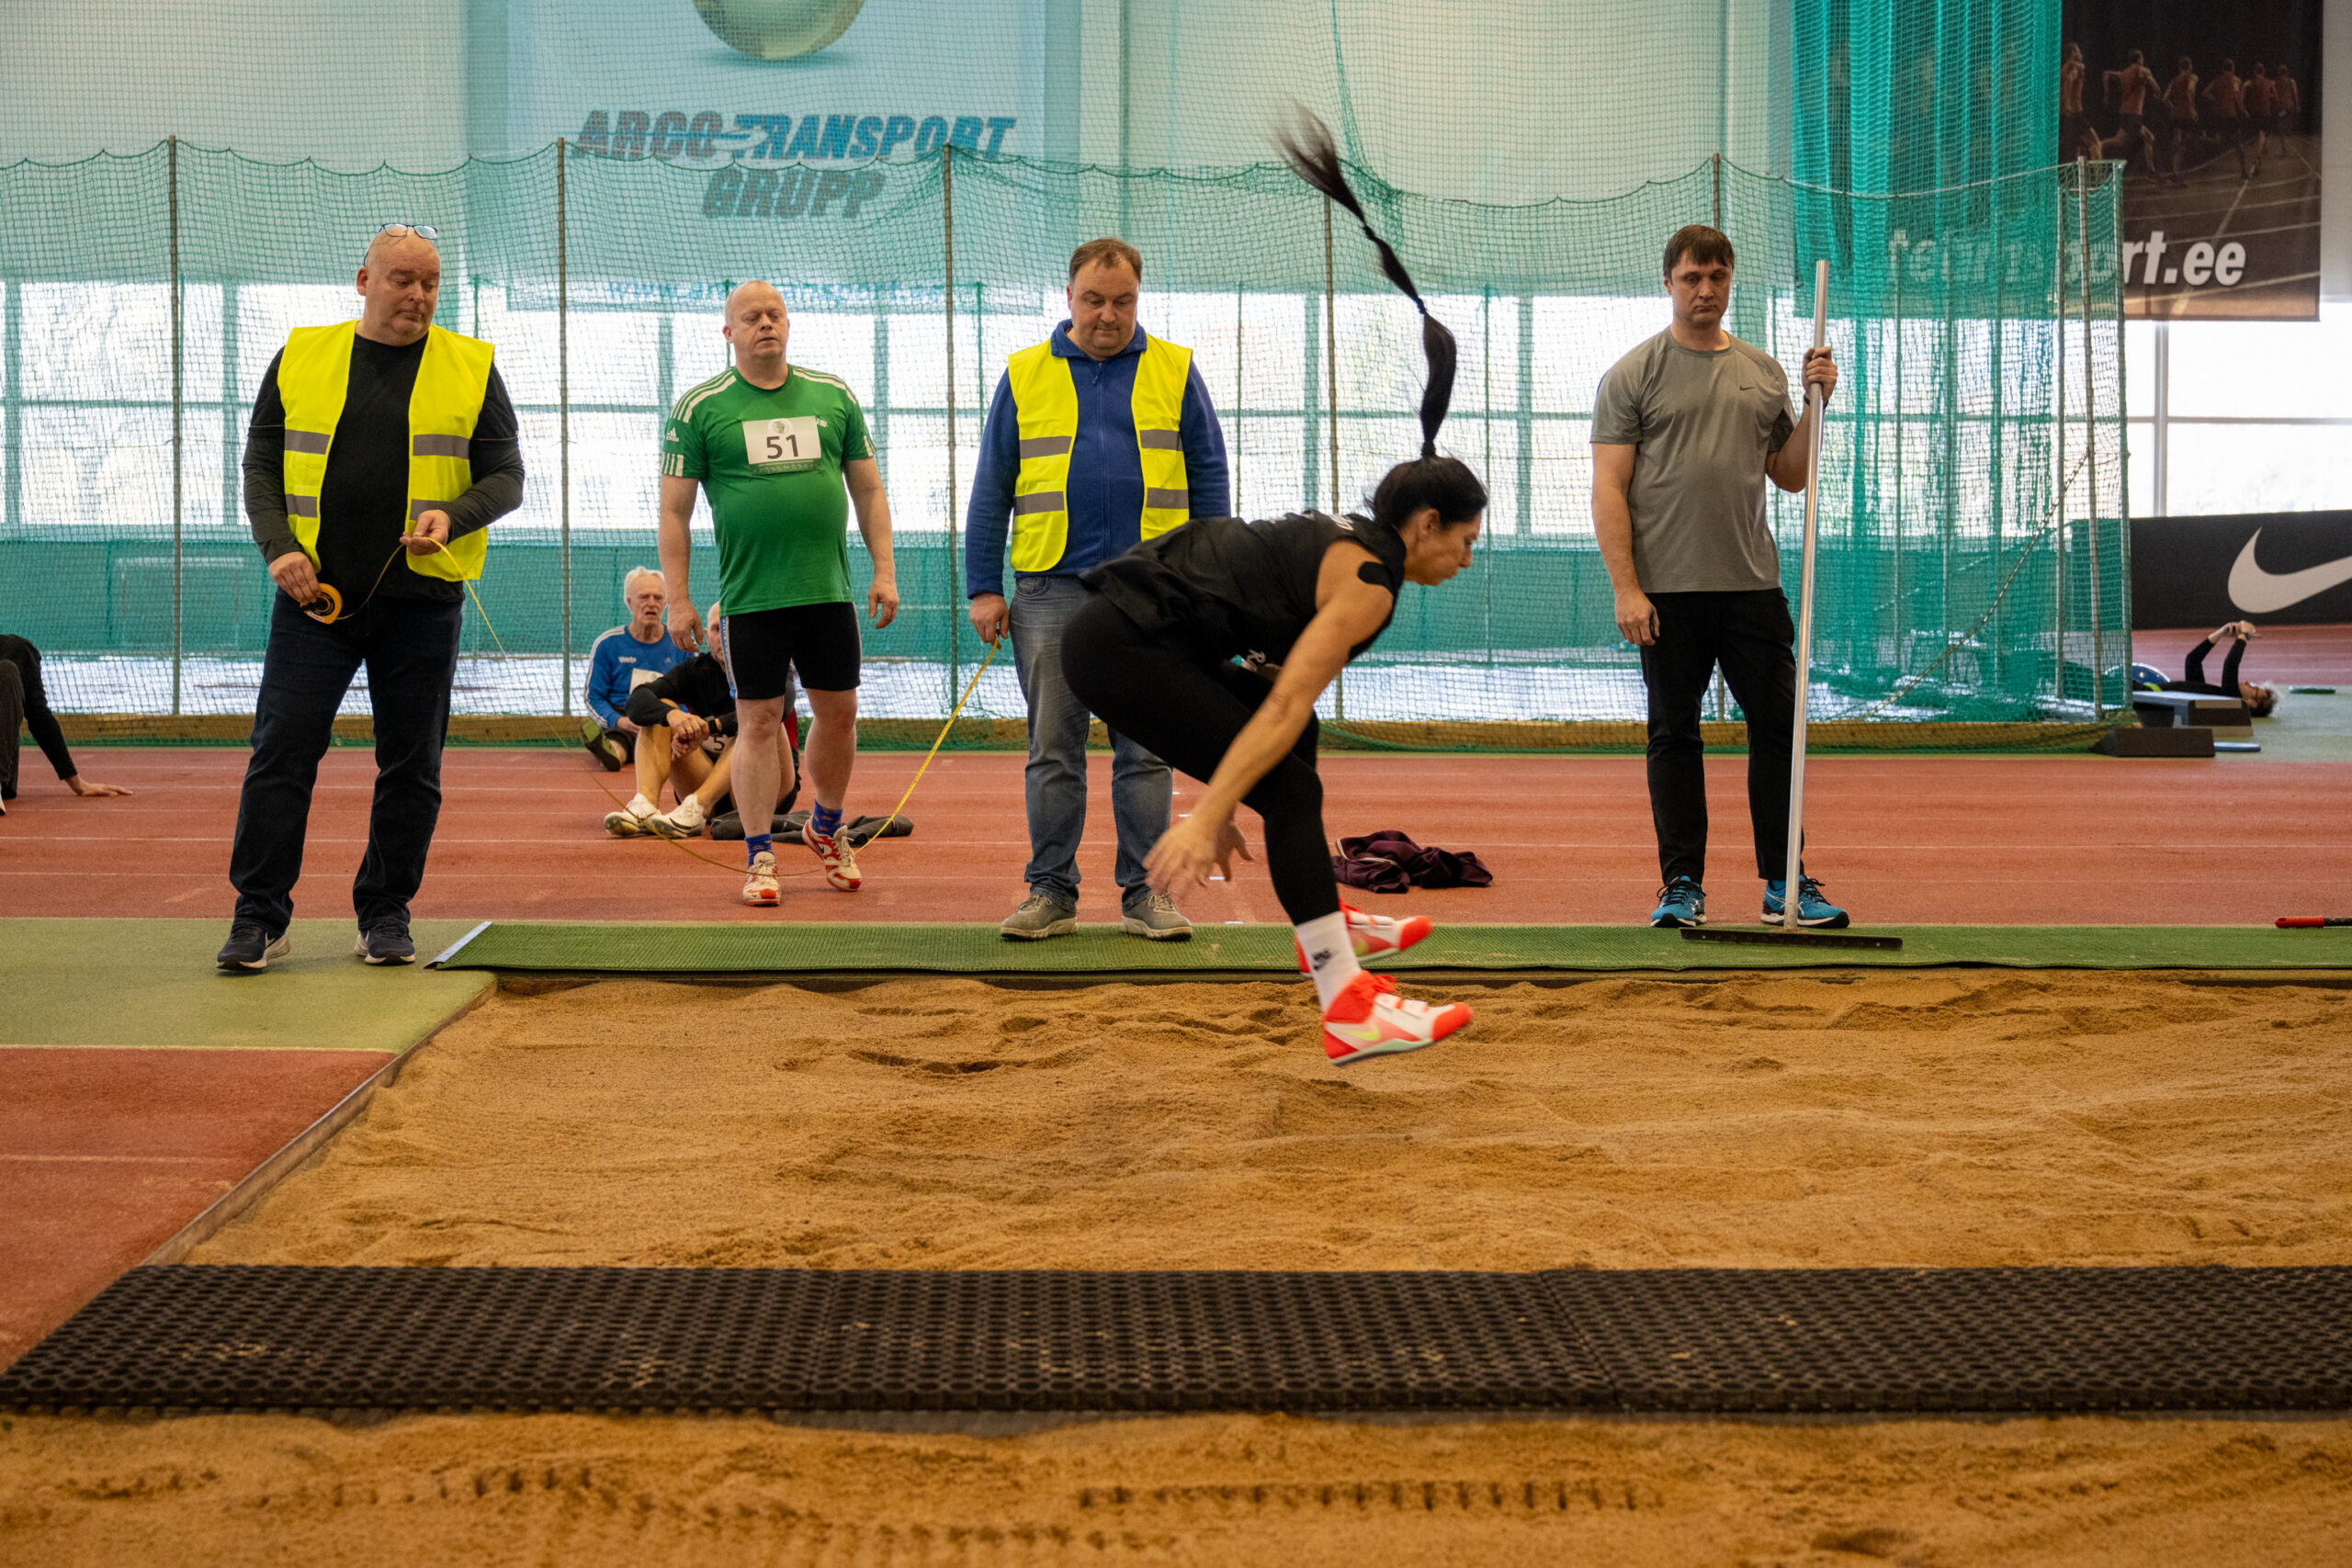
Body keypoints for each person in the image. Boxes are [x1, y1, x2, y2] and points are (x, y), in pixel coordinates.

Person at [1058, 116, 1476, 1066]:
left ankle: (1320, 920)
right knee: (1283, 771)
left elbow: (1283, 702)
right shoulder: (1368, 583)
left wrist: (1226, 792)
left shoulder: (1356, 545)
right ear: (1424, 525)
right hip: (1119, 643)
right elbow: (1280, 703)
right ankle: (1346, 1002)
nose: (1464, 559)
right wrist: (1211, 812)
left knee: (1296, 757)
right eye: (1463, 542)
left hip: (1137, 633)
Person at [219, 223, 523, 972]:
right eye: (401, 279)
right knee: (282, 750)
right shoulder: (301, 354)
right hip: (313, 601)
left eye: (429, 283)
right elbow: (260, 462)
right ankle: (259, 915)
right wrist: (279, 547)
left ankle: (385, 911)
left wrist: (455, 515)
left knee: (412, 765)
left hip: (423, 605)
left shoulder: (472, 366)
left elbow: (508, 477)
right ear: (364, 281)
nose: (417, 295)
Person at [965, 239, 1232, 943]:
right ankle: (1050, 891)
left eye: (1122, 301)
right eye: (1093, 300)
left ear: (1137, 298)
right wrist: (983, 587)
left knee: (1146, 750)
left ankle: (1147, 893)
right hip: (1050, 591)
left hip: (1155, 595)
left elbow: (1209, 480)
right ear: (1069, 296)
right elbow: (992, 487)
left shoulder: (1177, 370)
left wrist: (1212, 585)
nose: (1108, 314)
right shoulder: (1024, 374)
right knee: (1054, 748)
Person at [1591, 222, 1845, 931]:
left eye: (1717, 277)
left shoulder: (1763, 373)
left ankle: (1785, 882)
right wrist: (1626, 587)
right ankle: (1682, 884)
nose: (1705, 290)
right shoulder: (1632, 374)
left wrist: (1816, 402)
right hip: (1666, 592)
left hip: (1750, 585)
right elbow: (1608, 488)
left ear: (1730, 280)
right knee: (1675, 735)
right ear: (1668, 282)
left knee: (1778, 731)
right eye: (1691, 278)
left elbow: (1790, 474)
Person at [658, 280, 897, 907]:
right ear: (728, 332)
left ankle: (827, 825)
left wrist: (885, 570)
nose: (766, 324)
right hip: (751, 600)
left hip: (827, 594)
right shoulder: (699, 408)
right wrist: (679, 599)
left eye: (775, 314)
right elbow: (674, 514)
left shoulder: (833, 395)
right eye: (751, 317)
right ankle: (760, 854)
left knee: (840, 714)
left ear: (788, 325)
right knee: (759, 722)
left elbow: (869, 490)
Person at [604, 606, 801, 840]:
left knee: (761, 719)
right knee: (659, 707)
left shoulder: (771, 666)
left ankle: (698, 806)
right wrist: (672, 716)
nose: (724, 637)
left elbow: (782, 706)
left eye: (731, 629)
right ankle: (645, 806)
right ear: (707, 636)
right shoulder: (695, 670)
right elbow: (637, 700)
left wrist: (710, 727)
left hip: (764, 786)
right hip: (704, 780)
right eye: (717, 629)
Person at [0, 633, 132, 817]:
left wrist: (77, 782)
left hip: (3, 779)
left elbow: (39, 716)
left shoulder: (16, 651)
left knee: (6, 671)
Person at [582, 567, 692, 771]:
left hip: (667, 715)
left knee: (684, 739)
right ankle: (612, 753)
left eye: (658, 597)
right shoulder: (607, 644)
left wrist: (680, 724)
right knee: (618, 739)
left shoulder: (681, 643)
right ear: (630, 602)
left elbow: (692, 695)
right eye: (644, 597)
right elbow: (593, 698)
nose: (651, 603)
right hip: (624, 718)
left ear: (666, 603)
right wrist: (619, 721)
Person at [2165, 621, 2278, 715]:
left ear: (2252, 703)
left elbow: (2231, 665)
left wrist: (2245, 635)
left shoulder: (2231, 700)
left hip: (2157, 700)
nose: (2248, 683)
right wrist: (2221, 633)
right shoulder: (2204, 698)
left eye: (2254, 688)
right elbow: (2192, 660)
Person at [2102, 49, 2163, 175]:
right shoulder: (2142, 70)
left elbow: (2106, 74)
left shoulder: (2123, 73)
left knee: (2119, 141)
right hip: (2133, 113)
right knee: (2149, 137)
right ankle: (2151, 171)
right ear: (2140, 59)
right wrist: (2157, 93)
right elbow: (2155, 85)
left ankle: (2097, 145)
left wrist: (2106, 94)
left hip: (2125, 112)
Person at [2161, 57, 2199, 185]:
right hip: (2185, 116)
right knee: (2182, 146)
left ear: (2179, 68)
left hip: (2175, 116)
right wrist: (2192, 109)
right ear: (2190, 66)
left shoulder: (2174, 80)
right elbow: (2190, 90)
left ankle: (2175, 173)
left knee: (2177, 142)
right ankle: (2176, 174)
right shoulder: (2193, 77)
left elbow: (2164, 98)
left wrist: (2172, 107)